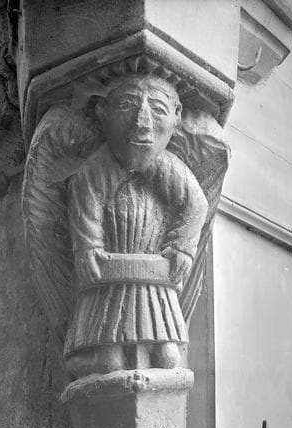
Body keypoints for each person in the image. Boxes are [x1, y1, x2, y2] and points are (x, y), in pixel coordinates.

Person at [64, 74, 208, 378]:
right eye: (126, 105)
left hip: (155, 281)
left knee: (168, 357)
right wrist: (87, 246)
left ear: (177, 116)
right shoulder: (97, 168)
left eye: (158, 109)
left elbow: (195, 204)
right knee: (110, 362)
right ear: (102, 112)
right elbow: (85, 198)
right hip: (109, 280)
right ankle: (84, 366)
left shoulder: (167, 166)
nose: (142, 122)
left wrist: (183, 246)